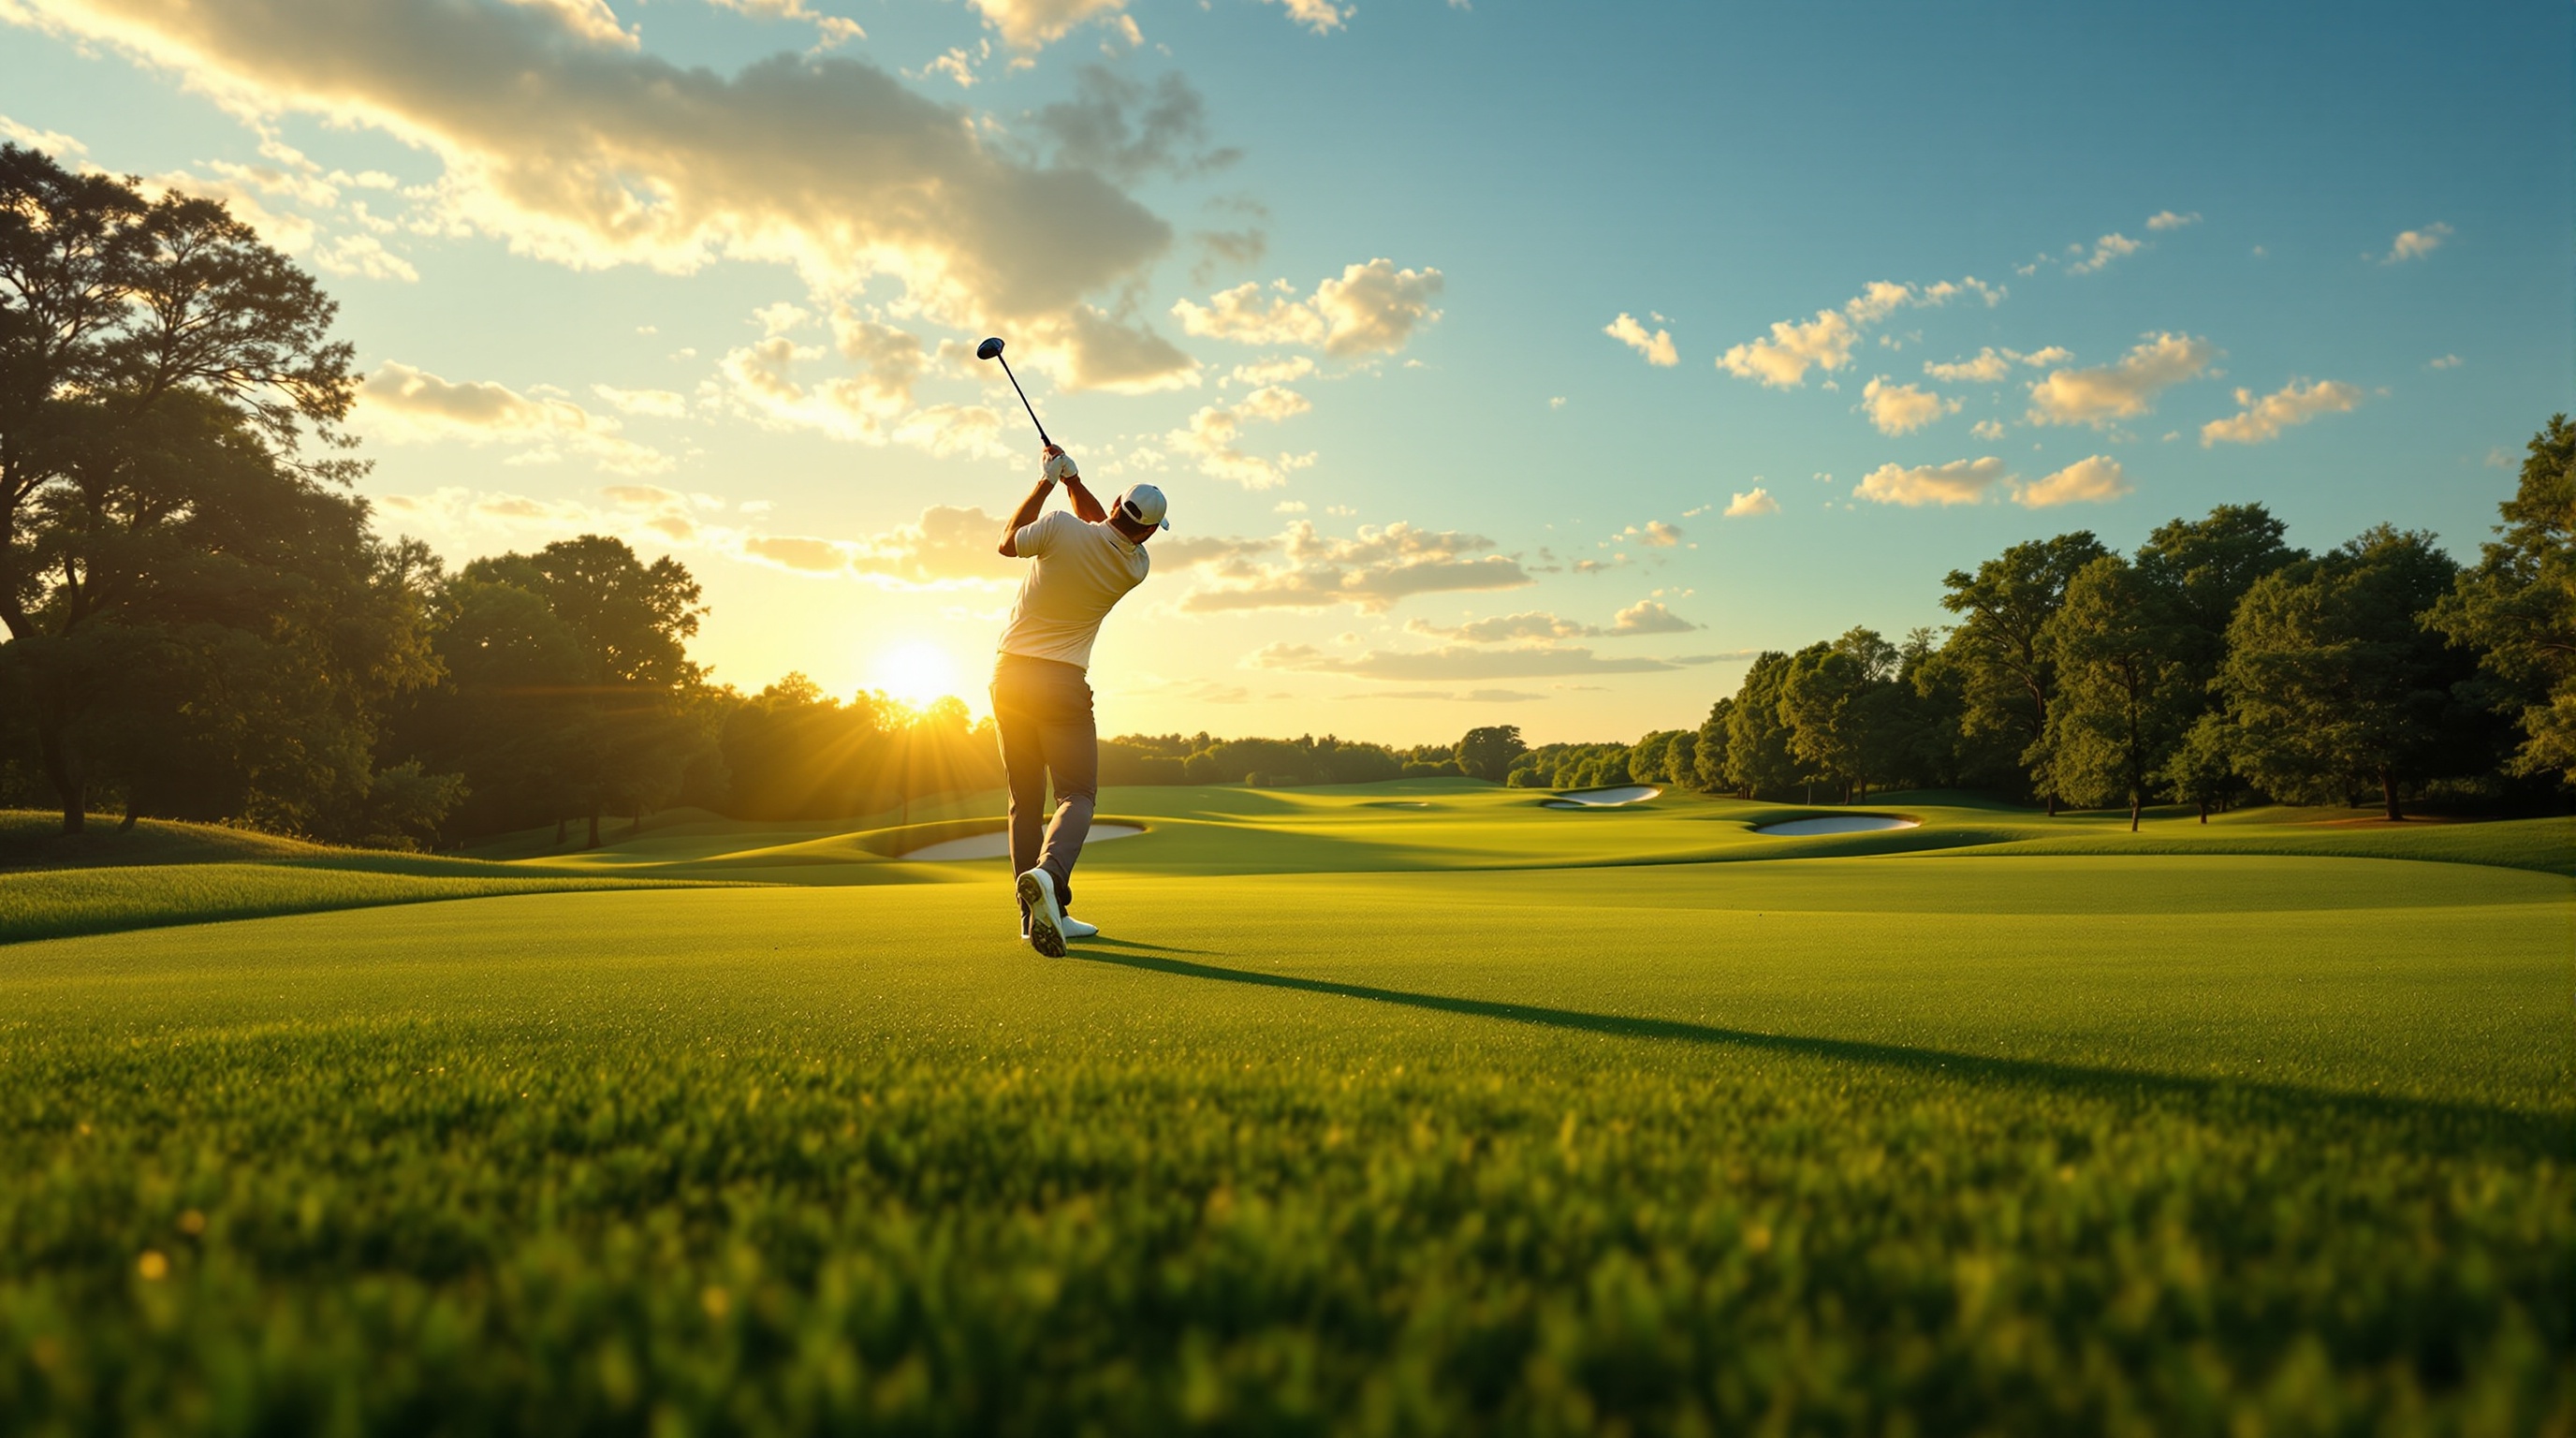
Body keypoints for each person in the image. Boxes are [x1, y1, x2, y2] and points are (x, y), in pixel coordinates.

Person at [990, 442, 1169, 956]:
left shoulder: (1062, 528)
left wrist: (1047, 480)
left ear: (1116, 503)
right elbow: (1108, 532)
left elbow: (1008, 543)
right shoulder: (1136, 566)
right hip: (1062, 683)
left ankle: (1035, 917)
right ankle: (1049, 878)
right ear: (1151, 531)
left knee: (1024, 801)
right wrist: (1072, 482)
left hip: (1008, 675)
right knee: (1077, 795)